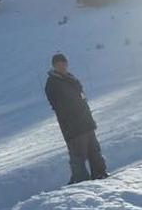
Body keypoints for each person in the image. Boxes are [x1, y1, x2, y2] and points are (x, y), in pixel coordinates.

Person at [44, 53, 109, 184]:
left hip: (86, 123)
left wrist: (88, 117)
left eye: (64, 63)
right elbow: (60, 107)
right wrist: (72, 121)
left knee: (94, 151)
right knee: (78, 156)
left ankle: (100, 175)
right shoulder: (52, 83)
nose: (62, 66)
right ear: (54, 66)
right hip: (73, 127)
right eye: (58, 64)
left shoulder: (71, 78)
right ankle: (81, 184)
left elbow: (82, 98)